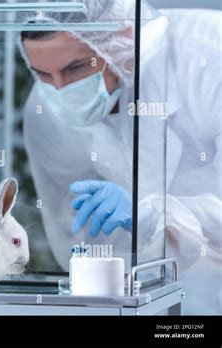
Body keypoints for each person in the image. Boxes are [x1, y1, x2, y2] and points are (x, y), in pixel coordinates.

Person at [17, 0, 221, 314]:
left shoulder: (208, 56)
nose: (60, 89)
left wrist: (158, 216)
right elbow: (75, 244)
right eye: (42, 74)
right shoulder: (46, 115)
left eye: (75, 68)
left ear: (122, 36)